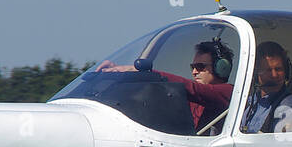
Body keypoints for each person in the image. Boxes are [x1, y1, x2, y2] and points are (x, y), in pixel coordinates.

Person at [96, 40, 234, 134]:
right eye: (193, 67)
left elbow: (195, 90)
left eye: (200, 67)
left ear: (221, 68)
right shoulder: (191, 100)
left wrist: (141, 71)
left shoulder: (229, 92)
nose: (194, 72)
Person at [241, 41, 292, 133]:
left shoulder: (290, 104)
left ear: (286, 71)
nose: (274, 75)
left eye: (278, 69)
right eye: (268, 70)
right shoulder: (248, 104)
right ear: (255, 73)